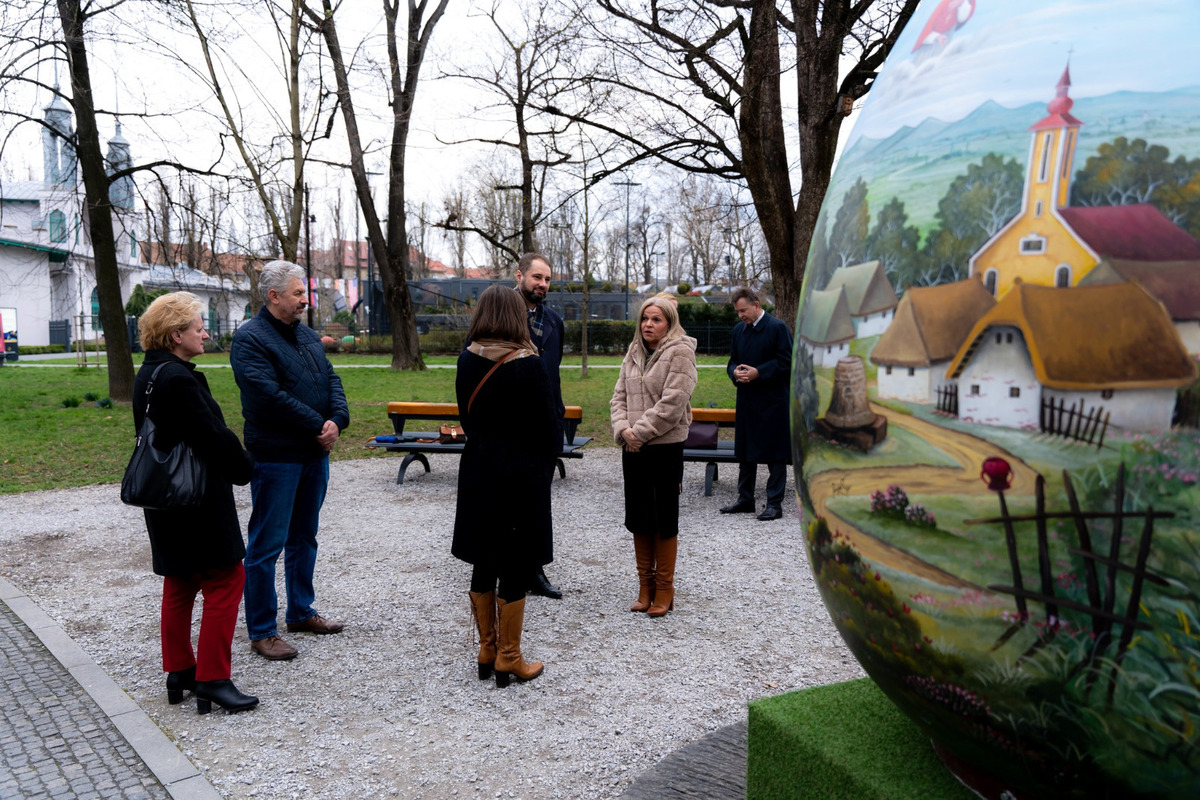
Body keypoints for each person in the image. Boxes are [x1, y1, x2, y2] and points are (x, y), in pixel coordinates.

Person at [133, 292, 258, 715]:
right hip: (197, 498)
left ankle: (180, 672)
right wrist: (245, 465)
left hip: (162, 496)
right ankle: (212, 679)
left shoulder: (148, 373)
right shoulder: (179, 379)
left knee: (181, 579)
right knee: (227, 579)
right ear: (175, 335)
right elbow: (212, 437)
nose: (205, 334)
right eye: (199, 327)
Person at [230, 260, 350, 661]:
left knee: (304, 537)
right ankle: (262, 630)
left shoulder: (307, 335)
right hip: (276, 456)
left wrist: (338, 419)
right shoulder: (250, 339)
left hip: (313, 454)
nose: (305, 300)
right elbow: (267, 396)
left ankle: (300, 612)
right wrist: (318, 424)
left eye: (304, 292)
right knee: (267, 545)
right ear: (274, 296)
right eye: (298, 293)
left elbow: (331, 380)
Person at [455, 285, 559, 686]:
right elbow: (549, 430)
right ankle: (509, 657)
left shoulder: (467, 359)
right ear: (516, 316)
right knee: (515, 559)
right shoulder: (528, 364)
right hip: (520, 472)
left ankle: (487, 649)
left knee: (484, 557)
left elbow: (466, 419)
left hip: (479, 467)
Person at [610, 295, 698, 618]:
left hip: (664, 447)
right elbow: (618, 397)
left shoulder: (681, 352)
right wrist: (623, 430)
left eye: (656, 319)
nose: (648, 324)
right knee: (639, 517)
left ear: (670, 323)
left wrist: (639, 433)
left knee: (663, 518)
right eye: (645, 318)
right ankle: (644, 587)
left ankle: (664, 588)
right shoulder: (634, 351)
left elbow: (673, 403)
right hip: (633, 447)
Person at [513, 252, 567, 600]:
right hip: (511, 425)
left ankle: (535, 570)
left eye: (547, 279)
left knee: (538, 502)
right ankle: (507, 568)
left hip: (545, 425)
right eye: (537, 277)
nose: (542, 284)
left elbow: (553, 371)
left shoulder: (554, 321)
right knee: (509, 502)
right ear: (519, 276)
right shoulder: (499, 316)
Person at [721, 287, 793, 521]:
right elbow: (732, 361)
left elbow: (787, 362)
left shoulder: (777, 328)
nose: (740, 315)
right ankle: (745, 499)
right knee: (745, 452)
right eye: (737, 312)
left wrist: (758, 372)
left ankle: (774, 504)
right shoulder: (739, 330)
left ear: (756, 305)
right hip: (747, 400)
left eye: (743, 310)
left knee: (775, 454)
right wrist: (735, 372)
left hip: (773, 401)